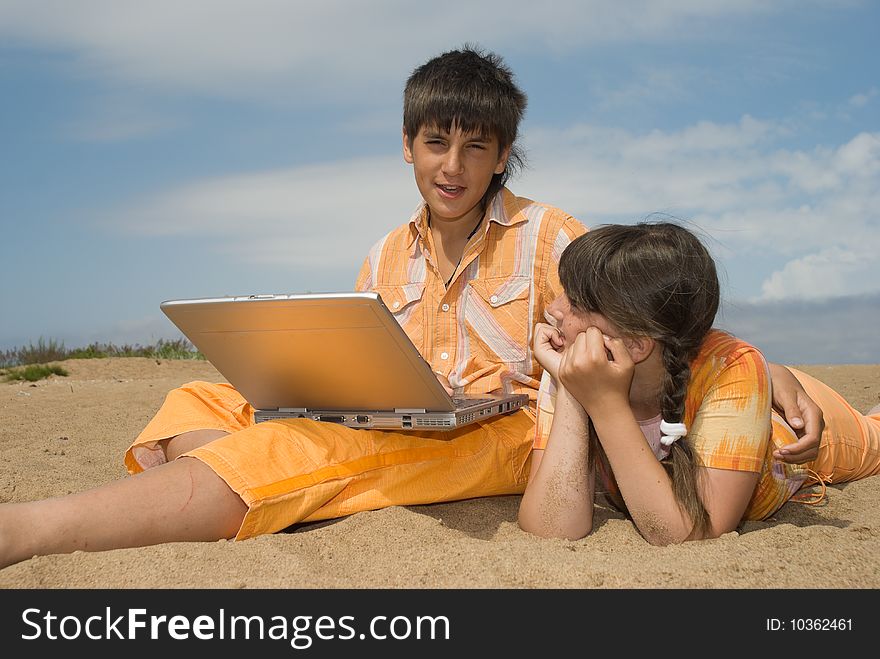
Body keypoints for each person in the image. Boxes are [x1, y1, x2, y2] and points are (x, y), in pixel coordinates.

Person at [0, 47, 822, 569]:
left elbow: (640, 310)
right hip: (397, 409)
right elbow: (354, 348)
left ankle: (37, 527)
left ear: (503, 154)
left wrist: (763, 364)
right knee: (197, 397)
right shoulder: (385, 253)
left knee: (296, 448)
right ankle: (265, 480)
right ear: (407, 144)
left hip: (494, 429)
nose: (453, 165)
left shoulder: (549, 234)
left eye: (476, 146)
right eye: (436, 142)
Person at [517, 221, 880, 545]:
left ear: (635, 345)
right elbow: (551, 526)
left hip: (801, 426)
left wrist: (605, 405)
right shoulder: (581, 366)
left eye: (577, 302)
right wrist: (571, 390)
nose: (555, 309)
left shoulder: (731, 367)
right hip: (740, 387)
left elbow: (686, 530)